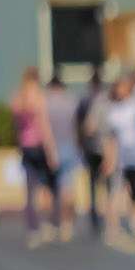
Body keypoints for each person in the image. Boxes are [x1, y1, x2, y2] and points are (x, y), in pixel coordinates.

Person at [11, 68, 60, 246]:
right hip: (39, 146)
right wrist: (51, 152)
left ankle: (33, 228)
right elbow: (44, 126)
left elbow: (16, 125)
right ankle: (52, 223)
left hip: (25, 146)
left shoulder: (18, 99)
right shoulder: (39, 99)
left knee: (30, 189)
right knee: (50, 186)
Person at [104, 73, 135, 238]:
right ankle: (113, 224)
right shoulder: (113, 109)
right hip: (119, 154)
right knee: (115, 189)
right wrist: (109, 157)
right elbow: (111, 136)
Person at [45, 75, 83, 242]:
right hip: (69, 147)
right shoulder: (72, 102)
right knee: (68, 186)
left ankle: (55, 222)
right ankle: (67, 222)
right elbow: (77, 127)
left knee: (51, 189)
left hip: (51, 148)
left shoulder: (45, 103)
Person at [78, 68, 112, 236]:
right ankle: (109, 221)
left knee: (93, 184)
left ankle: (96, 219)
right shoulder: (108, 100)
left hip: (93, 147)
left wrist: (81, 143)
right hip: (106, 148)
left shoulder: (87, 101)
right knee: (109, 185)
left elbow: (84, 126)